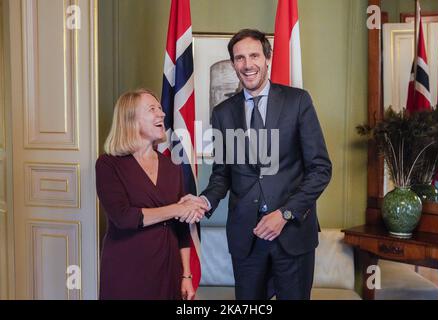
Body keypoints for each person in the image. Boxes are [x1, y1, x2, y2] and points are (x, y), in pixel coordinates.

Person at [180, 29, 332, 300]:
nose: (247, 64)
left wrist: (285, 214)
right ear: (234, 63)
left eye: (254, 55)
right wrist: (204, 201)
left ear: (267, 59)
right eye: (239, 58)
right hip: (247, 238)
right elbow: (222, 175)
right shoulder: (223, 113)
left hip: (292, 234)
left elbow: (320, 169)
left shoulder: (298, 101)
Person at [96, 88, 207, 300]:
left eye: (160, 108)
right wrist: (178, 209)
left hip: (169, 268)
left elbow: (182, 229)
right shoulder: (108, 164)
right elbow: (124, 217)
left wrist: (186, 276)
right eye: (152, 109)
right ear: (131, 119)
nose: (162, 114)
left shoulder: (172, 167)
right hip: (127, 269)